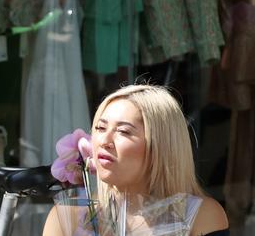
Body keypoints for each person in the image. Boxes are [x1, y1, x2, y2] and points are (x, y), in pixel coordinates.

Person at [42, 85, 229, 235]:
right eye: (100, 128)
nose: (104, 141)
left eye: (123, 131)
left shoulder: (201, 216)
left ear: (161, 146)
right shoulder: (68, 216)